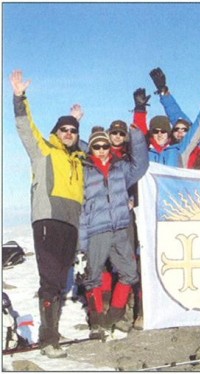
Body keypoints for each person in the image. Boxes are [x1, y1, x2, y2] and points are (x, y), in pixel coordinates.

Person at [10, 69, 85, 358]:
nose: (68, 134)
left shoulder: (77, 158)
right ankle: (48, 340)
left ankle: (50, 330)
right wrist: (20, 97)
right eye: (63, 130)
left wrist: (76, 121)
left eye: (72, 131)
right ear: (56, 133)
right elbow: (25, 128)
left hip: (70, 223)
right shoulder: (44, 151)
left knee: (61, 281)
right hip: (48, 221)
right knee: (50, 280)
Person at [80, 125, 149, 340]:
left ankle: (116, 316)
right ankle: (97, 322)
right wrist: (81, 242)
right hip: (96, 230)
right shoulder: (83, 170)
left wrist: (136, 136)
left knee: (129, 273)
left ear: (110, 147)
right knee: (93, 277)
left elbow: (141, 164)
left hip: (119, 228)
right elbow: (80, 207)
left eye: (104, 146)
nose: (101, 150)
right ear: (91, 148)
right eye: (96, 146)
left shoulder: (121, 168)